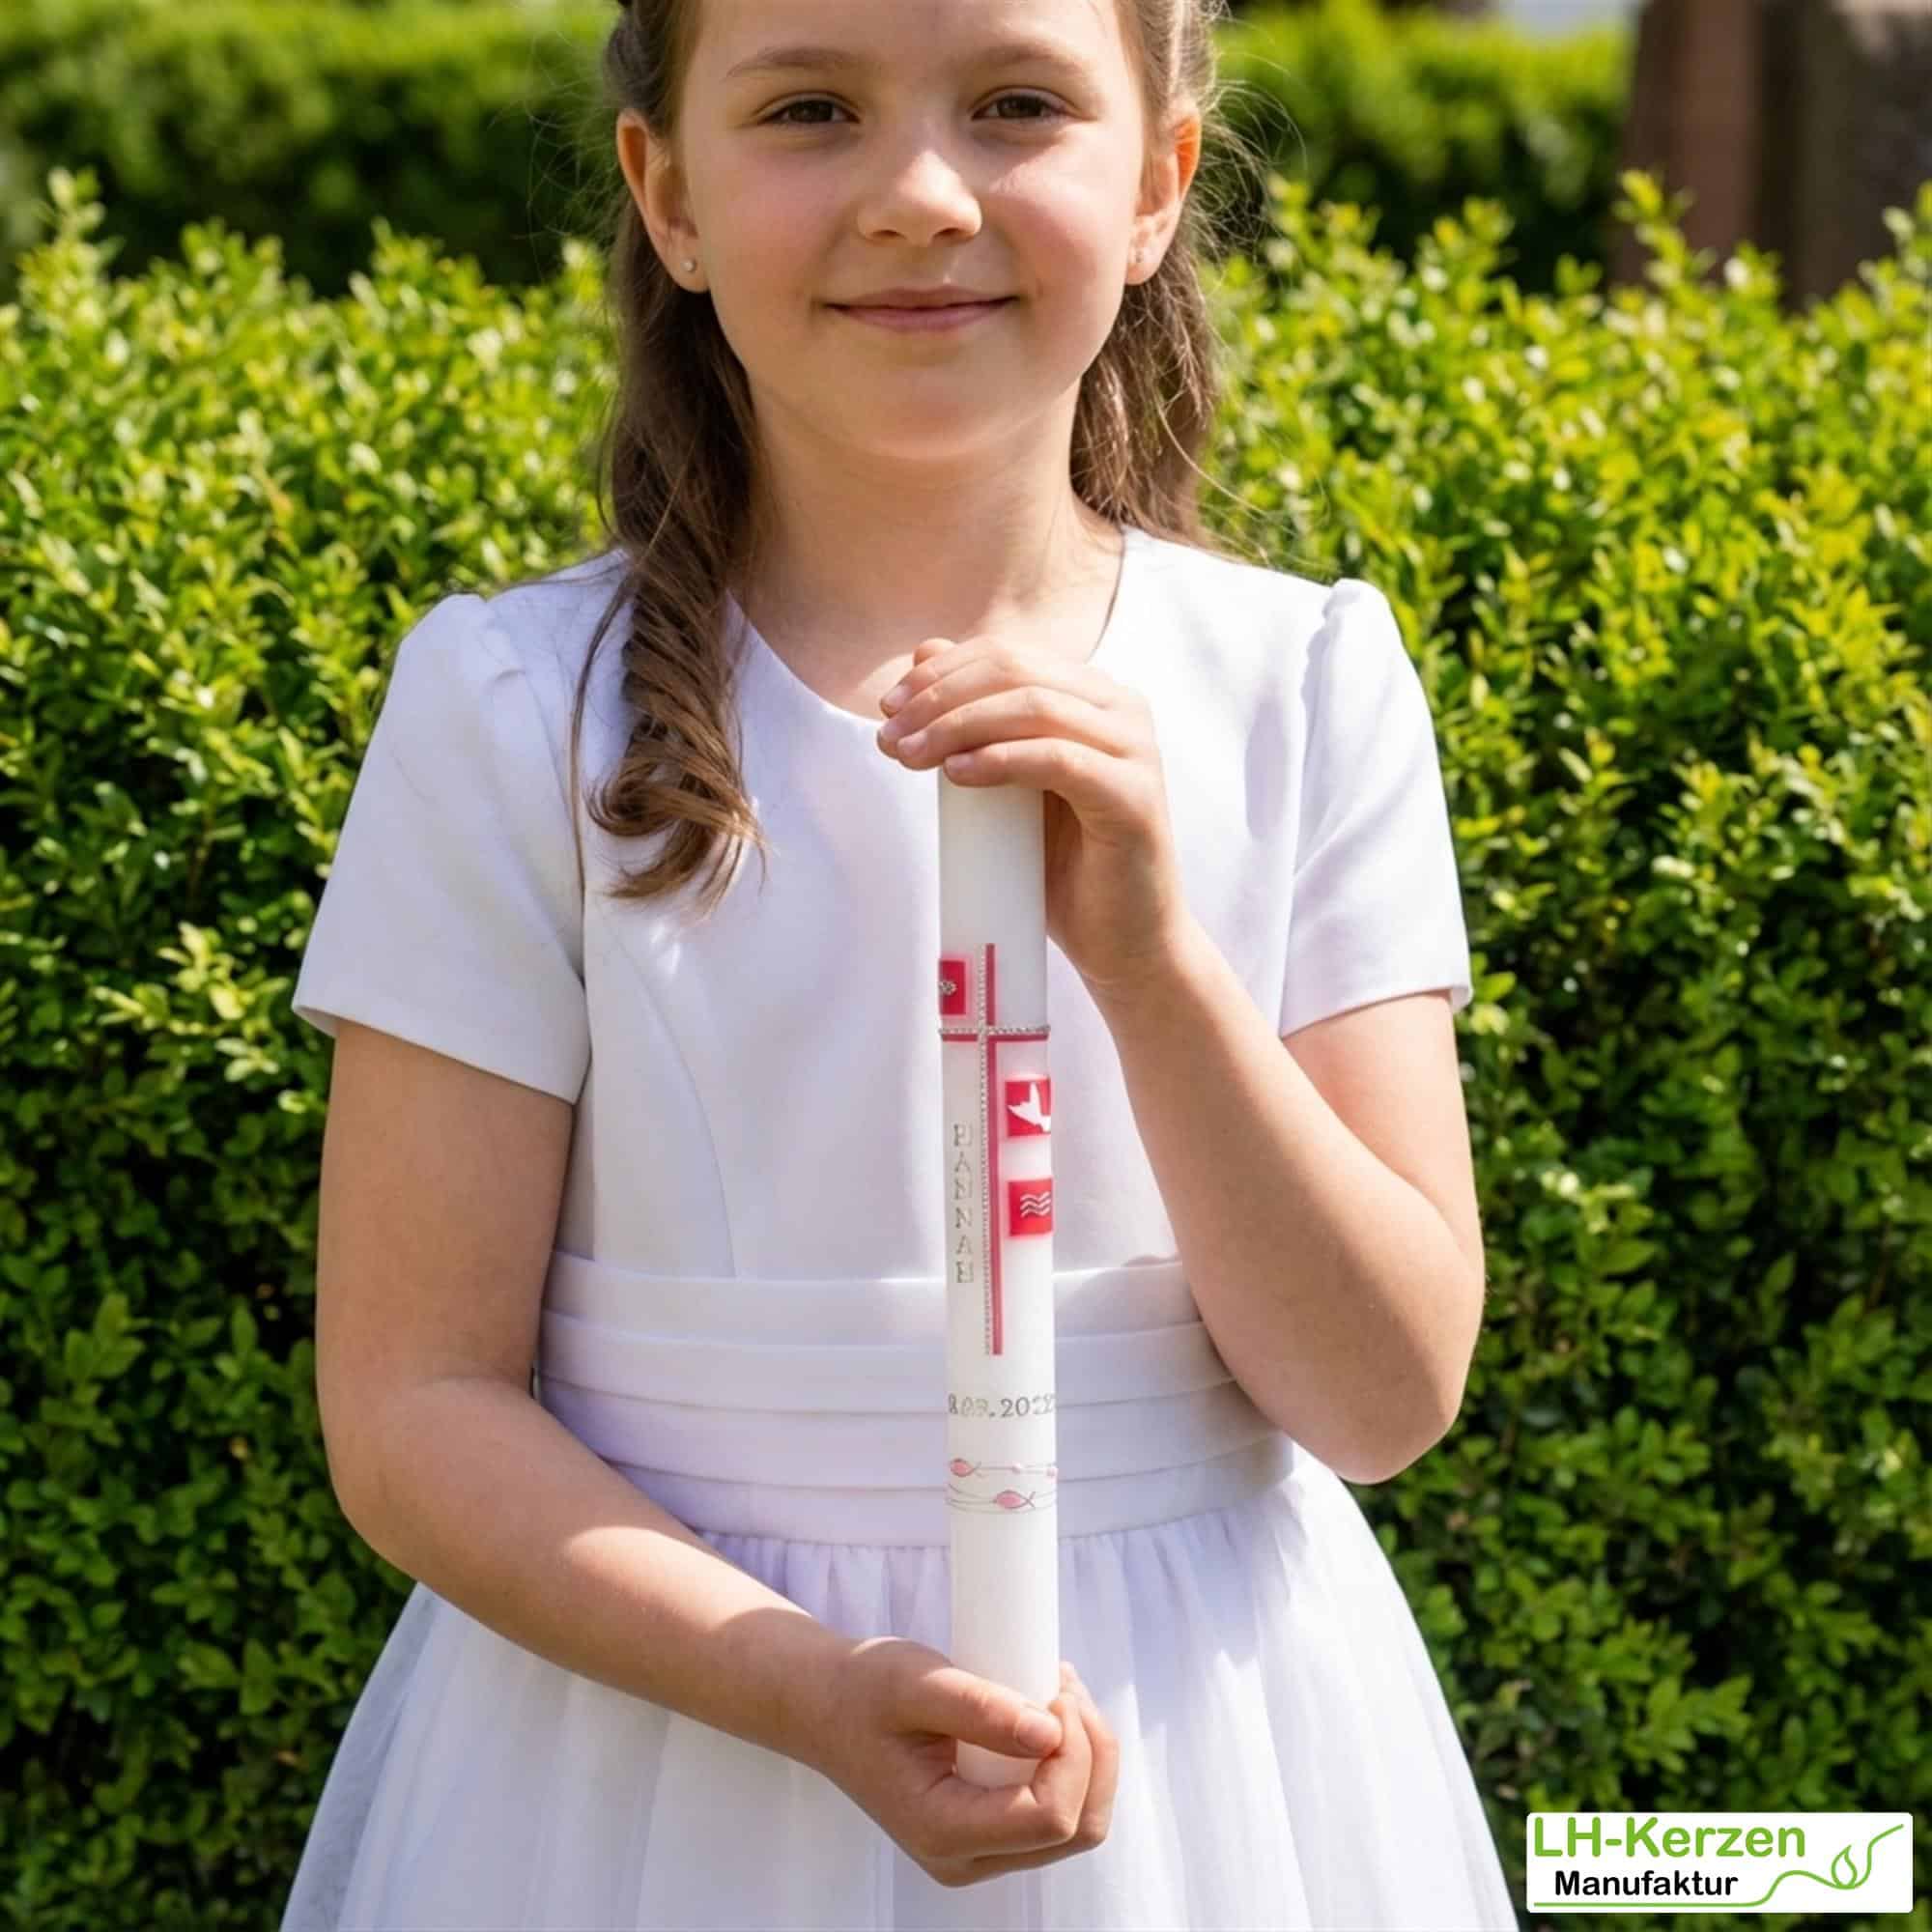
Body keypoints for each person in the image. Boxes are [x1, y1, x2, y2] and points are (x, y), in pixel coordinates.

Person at [279, 0, 1520, 1924]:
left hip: (1200, 1771)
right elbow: (414, 1405)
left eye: (1016, 103)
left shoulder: (1299, 686)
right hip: (654, 1762)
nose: (921, 194)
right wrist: (803, 1689)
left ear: (1158, 182)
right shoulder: (514, 705)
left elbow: (1378, 1394)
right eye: (809, 109)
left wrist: (1151, 961)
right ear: (668, 196)